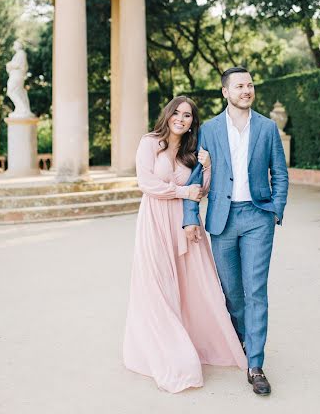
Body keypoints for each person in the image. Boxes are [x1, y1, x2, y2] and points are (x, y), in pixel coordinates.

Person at [123, 96, 246, 393]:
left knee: (195, 283)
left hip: (184, 222)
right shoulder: (150, 142)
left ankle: (200, 339)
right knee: (159, 283)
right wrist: (182, 190)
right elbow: (146, 182)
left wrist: (206, 167)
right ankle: (170, 353)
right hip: (155, 220)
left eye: (188, 115)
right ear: (168, 115)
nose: (181, 118)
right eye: (177, 113)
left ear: (193, 122)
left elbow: (200, 190)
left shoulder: (193, 151)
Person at [183, 68, 289, 396]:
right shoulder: (210, 130)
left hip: (258, 216)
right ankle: (241, 340)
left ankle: (254, 363)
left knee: (256, 289)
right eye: (239, 86)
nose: (247, 90)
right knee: (232, 292)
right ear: (225, 92)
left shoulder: (268, 128)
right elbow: (197, 175)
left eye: (250, 85)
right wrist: (190, 216)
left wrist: (275, 210)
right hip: (222, 220)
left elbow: (280, 174)